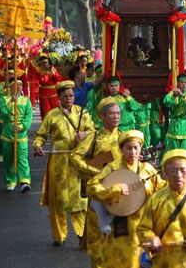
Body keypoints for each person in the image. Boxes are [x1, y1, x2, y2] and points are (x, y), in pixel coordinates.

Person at [86, 130, 166, 268]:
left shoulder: (147, 169)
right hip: (119, 226)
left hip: (143, 227)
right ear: (121, 149)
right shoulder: (112, 168)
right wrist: (113, 190)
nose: (133, 152)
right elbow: (91, 187)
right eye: (128, 148)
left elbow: (163, 190)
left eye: (136, 148)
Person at [33, 80, 95, 246]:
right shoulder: (52, 115)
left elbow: (93, 131)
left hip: (77, 161)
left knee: (79, 199)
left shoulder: (83, 112)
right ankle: (59, 235)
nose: (69, 98)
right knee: (59, 200)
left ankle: (82, 233)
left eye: (71, 95)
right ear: (59, 97)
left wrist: (84, 134)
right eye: (65, 96)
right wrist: (38, 146)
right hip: (58, 162)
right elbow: (40, 135)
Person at [71, 98, 122, 266]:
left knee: (119, 246)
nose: (115, 117)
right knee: (98, 247)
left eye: (118, 113)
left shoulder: (125, 137)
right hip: (98, 193)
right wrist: (95, 173)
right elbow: (75, 157)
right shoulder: (94, 137)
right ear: (102, 116)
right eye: (111, 114)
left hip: (120, 195)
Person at [0, 79, 33, 192]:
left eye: (21, 85)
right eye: (16, 85)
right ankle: (10, 180)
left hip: (21, 134)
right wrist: (11, 102)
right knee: (8, 159)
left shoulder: (26, 101)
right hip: (8, 134)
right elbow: (2, 113)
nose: (19, 88)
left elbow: (28, 117)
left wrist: (21, 126)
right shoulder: (3, 99)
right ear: (11, 88)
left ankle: (25, 181)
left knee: (22, 158)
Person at [162, 74, 186, 156]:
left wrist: (182, 96)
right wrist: (173, 95)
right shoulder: (172, 93)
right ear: (177, 83)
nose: (184, 84)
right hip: (174, 125)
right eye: (181, 82)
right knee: (173, 151)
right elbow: (166, 102)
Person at [36, 55, 62, 119]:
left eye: (47, 62)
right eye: (44, 63)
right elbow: (43, 81)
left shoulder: (53, 70)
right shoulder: (39, 72)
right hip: (44, 93)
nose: (45, 64)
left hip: (53, 92)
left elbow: (58, 79)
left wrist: (53, 72)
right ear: (41, 64)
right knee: (45, 110)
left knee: (55, 109)